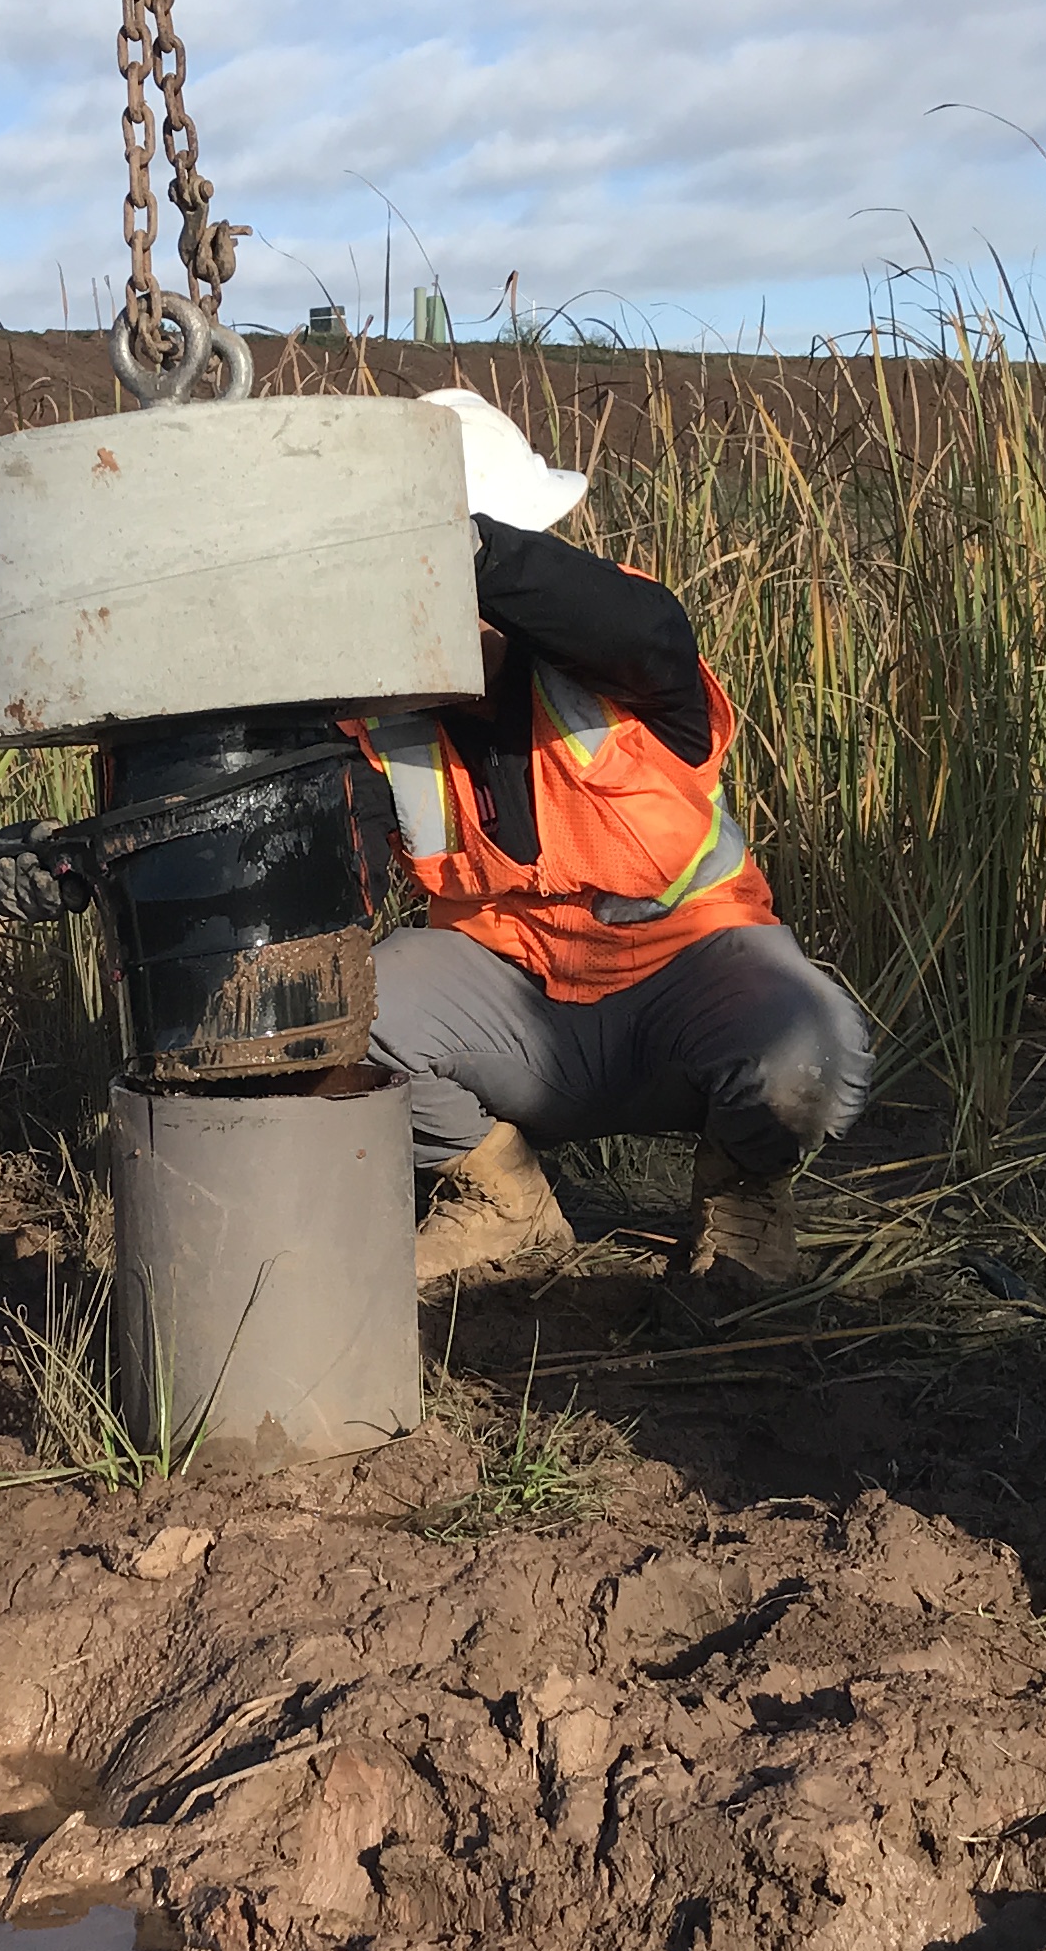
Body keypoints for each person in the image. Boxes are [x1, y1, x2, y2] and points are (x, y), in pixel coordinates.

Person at [356, 388, 872, 1294]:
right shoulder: (385, 719)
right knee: (336, 1014)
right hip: (513, 1007)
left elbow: (640, 627)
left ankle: (743, 1195)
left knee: (808, 1051)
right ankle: (503, 1202)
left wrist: (455, 541)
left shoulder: (633, 662)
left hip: (693, 979)